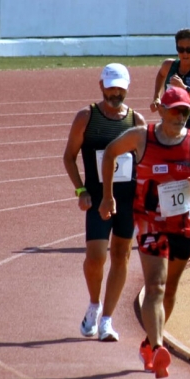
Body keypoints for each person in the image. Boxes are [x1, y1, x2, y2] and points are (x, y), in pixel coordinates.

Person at [99, 86, 190, 378]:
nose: (180, 116)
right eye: (175, 110)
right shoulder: (142, 137)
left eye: (186, 112)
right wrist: (107, 195)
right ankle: (159, 346)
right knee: (155, 286)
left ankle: (149, 345)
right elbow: (110, 153)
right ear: (162, 110)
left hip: (183, 225)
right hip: (150, 223)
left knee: (170, 289)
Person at [63, 63, 146, 342]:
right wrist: (81, 191)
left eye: (120, 88)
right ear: (101, 86)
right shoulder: (87, 117)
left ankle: (108, 321)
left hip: (127, 199)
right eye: (111, 87)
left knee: (121, 255)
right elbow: (68, 157)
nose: (115, 93)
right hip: (98, 199)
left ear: (127, 87)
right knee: (95, 257)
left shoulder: (136, 121)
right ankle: (94, 305)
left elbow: (145, 163)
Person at [150, 28, 190, 216]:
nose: (185, 54)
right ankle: (171, 215)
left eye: (189, 49)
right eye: (181, 49)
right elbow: (160, 75)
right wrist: (157, 97)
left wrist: (185, 88)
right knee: (167, 174)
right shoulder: (169, 65)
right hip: (173, 130)